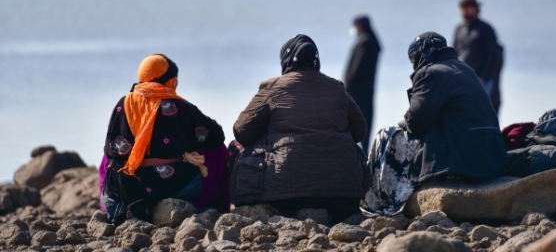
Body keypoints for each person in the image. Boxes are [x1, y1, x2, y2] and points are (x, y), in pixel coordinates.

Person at [361, 32, 507, 216]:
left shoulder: (431, 73)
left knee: (385, 135)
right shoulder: (465, 68)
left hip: (463, 160)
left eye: (413, 59)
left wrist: (401, 123)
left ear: (424, 53)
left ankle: (381, 201)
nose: (413, 64)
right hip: (491, 157)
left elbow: (416, 123)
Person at [231, 35, 369, 224]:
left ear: (285, 61)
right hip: (343, 195)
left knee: (239, 145)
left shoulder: (272, 88)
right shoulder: (337, 89)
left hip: (287, 196)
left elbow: (241, 131)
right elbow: (360, 132)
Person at [100, 54, 227, 225]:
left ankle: (119, 211)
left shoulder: (123, 104)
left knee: (108, 157)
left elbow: (111, 148)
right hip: (175, 188)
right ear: (170, 81)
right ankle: (209, 205)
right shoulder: (180, 107)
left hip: (124, 192)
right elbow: (216, 135)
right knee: (217, 149)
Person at [453, 0, 503, 112]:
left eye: (468, 8)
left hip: (482, 79)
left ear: (476, 9)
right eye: (463, 9)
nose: (466, 11)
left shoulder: (486, 29)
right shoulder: (459, 29)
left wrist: (483, 77)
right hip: (462, 77)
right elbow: (454, 52)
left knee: (480, 108)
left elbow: (492, 56)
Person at [344, 15, 381, 154]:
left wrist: (346, 87)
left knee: (356, 123)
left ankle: (359, 157)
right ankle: (364, 156)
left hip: (357, 92)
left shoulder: (365, 43)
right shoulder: (371, 41)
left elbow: (357, 69)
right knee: (365, 122)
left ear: (360, 26)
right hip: (367, 91)